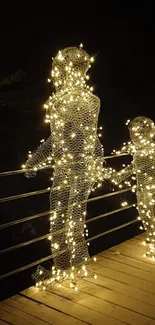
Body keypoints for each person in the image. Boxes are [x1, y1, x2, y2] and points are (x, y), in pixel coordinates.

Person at [24, 46, 104, 286]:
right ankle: (79, 266)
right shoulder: (93, 100)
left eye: (57, 68)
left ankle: (64, 268)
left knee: (59, 221)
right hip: (86, 169)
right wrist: (97, 162)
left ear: (63, 69)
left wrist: (32, 162)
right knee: (76, 219)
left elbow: (56, 141)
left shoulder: (60, 101)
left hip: (67, 170)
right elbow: (92, 138)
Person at [111, 116, 155, 258]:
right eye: (133, 133)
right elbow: (133, 167)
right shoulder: (143, 151)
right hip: (144, 191)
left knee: (148, 216)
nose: (134, 137)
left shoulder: (145, 152)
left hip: (148, 192)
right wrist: (117, 177)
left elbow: (133, 168)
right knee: (147, 216)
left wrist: (117, 177)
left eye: (137, 133)